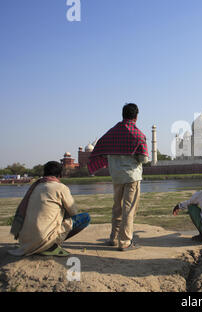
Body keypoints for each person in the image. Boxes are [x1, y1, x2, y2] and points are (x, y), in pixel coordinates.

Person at [88, 103, 149, 251]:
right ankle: (125, 242)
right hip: (132, 177)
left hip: (116, 176)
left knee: (117, 207)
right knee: (129, 208)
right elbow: (144, 159)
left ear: (123, 115)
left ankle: (113, 238)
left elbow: (100, 148)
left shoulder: (111, 133)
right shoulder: (138, 135)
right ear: (136, 116)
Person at [8, 161, 90, 257]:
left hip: (25, 242)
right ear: (60, 174)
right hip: (43, 240)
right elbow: (74, 212)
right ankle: (51, 245)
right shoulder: (60, 187)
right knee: (85, 217)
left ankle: (47, 242)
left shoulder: (35, 187)